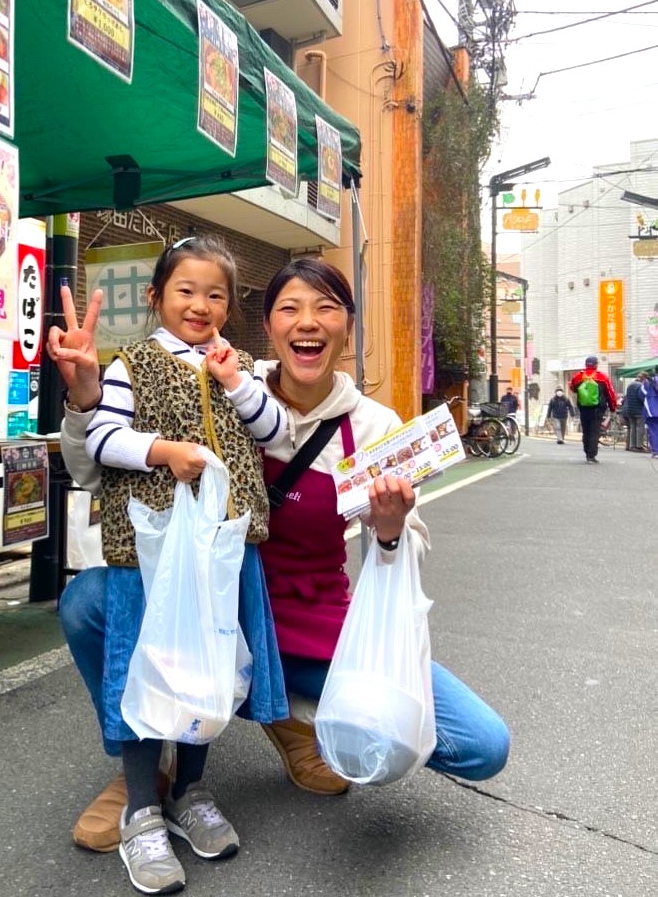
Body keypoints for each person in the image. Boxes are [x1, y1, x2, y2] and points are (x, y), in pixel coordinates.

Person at [53, 258, 510, 880]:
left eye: (327, 309)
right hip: (218, 610)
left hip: (319, 627)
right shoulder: (218, 381)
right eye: (290, 308)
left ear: (349, 328)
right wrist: (84, 395)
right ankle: (147, 767)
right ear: (267, 325)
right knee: (87, 602)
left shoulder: (374, 429)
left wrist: (391, 529)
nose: (309, 323)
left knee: (481, 745)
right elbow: (90, 469)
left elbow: (406, 554)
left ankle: (294, 716)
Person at [49, 235, 290, 895]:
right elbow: (99, 438)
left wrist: (237, 381)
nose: (201, 304)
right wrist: (165, 451)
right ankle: (141, 810)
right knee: (142, 670)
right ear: (156, 298)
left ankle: (190, 791)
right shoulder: (132, 364)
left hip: (221, 553)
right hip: (147, 554)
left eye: (215, 294)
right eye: (185, 290)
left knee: (203, 672)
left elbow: (276, 433)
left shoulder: (239, 366)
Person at [569, 355, 617, 463]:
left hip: (583, 408)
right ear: (596, 365)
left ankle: (587, 452)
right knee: (594, 431)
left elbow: (572, 388)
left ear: (586, 365)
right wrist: (612, 407)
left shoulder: (578, 377)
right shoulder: (602, 377)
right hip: (598, 409)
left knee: (586, 431)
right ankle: (591, 455)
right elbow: (610, 393)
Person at [621, 373, 647, 451]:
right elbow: (641, 397)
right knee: (640, 427)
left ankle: (632, 446)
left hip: (630, 410)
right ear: (644, 379)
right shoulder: (641, 386)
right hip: (638, 410)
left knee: (633, 427)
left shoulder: (630, 385)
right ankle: (639, 446)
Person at [640, 369, 658, 457]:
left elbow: (641, 394)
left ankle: (656, 451)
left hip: (651, 410)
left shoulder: (647, 382)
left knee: (653, 431)